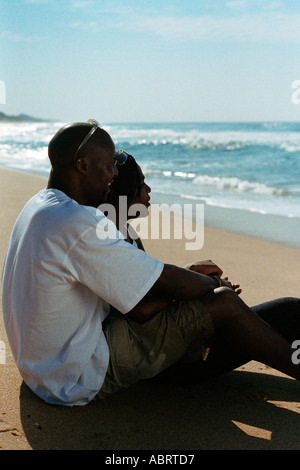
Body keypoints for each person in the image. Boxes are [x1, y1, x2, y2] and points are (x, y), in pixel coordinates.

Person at [2, 119, 300, 408]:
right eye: (108, 165)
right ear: (83, 166)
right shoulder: (76, 221)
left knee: (282, 310)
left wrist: (188, 279)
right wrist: (212, 283)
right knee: (225, 303)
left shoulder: (40, 206)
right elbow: (146, 300)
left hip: (44, 368)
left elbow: (150, 280)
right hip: (74, 376)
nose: (113, 175)